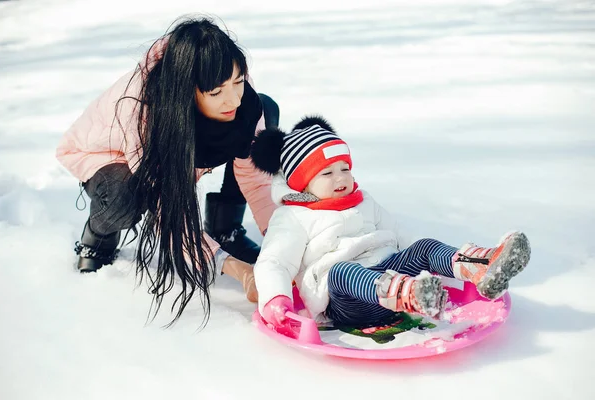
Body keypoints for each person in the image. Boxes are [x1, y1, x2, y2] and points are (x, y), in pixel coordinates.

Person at [56, 17, 279, 324]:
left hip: (188, 139)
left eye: (238, 81)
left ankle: (225, 227)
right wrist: (237, 270)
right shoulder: (142, 112)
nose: (234, 99)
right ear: (186, 91)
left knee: (263, 108)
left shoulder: (232, 84)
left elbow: (254, 178)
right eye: (216, 92)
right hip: (109, 156)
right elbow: (172, 215)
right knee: (124, 196)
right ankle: (98, 237)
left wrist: (280, 241)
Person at [249, 115, 531, 331]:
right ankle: (411, 294)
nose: (341, 178)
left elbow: (399, 235)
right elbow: (274, 261)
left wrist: (428, 260)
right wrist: (275, 299)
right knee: (342, 271)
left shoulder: (363, 200)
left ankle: (479, 267)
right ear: (302, 182)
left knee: (424, 246)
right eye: (327, 173)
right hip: (347, 301)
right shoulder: (293, 216)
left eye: (345, 168)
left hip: (390, 273)